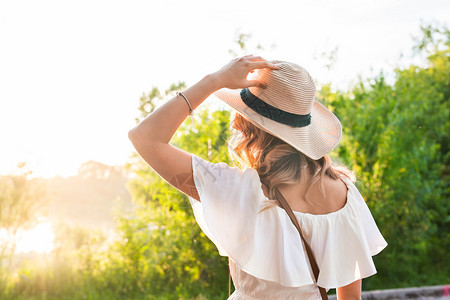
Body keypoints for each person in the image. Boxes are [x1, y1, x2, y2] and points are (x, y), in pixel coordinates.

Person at [128, 55, 387, 300]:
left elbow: (145, 137)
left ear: (247, 124)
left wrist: (214, 80)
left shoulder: (239, 190)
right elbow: (350, 297)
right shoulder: (345, 194)